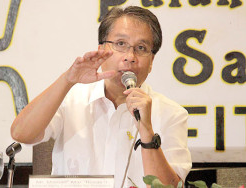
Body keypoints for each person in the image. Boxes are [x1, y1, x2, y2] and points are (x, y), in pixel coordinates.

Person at [11, 6, 192, 188]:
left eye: (141, 48)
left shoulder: (172, 114)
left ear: (151, 61)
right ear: (101, 49)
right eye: (121, 44)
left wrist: (147, 131)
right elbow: (21, 134)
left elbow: (170, 187)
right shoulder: (71, 98)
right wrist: (67, 80)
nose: (130, 57)